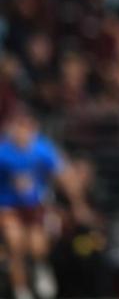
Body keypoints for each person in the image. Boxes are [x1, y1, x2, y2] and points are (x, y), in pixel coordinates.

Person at [0, 105, 95, 299]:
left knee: (37, 246)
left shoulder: (42, 150)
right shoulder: (3, 152)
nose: (22, 132)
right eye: (18, 127)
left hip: (35, 206)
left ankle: (41, 267)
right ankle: (21, 291)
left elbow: (66, 176)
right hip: (9, 206)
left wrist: (78, 204)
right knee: (15, 245)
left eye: (26, 127)